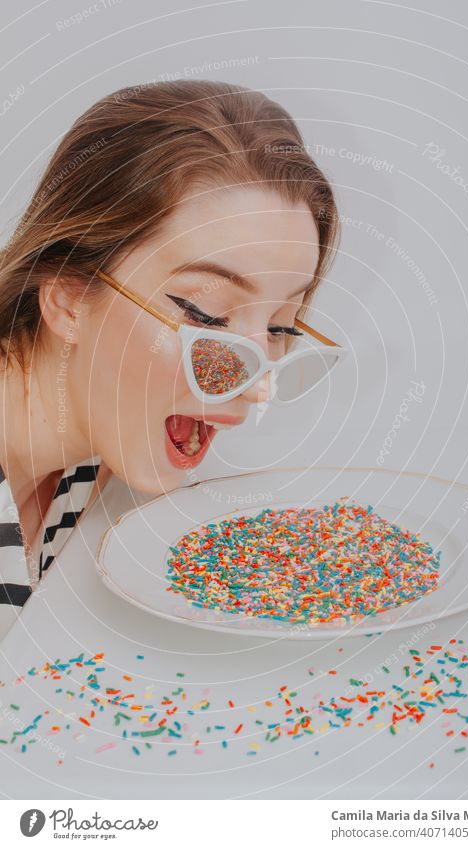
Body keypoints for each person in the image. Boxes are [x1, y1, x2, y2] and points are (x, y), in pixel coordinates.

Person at [0, 79, 341, 641]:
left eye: (280, 326)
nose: (258, 385)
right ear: (68, 298)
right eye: (206, 315)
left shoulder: (107, 458)